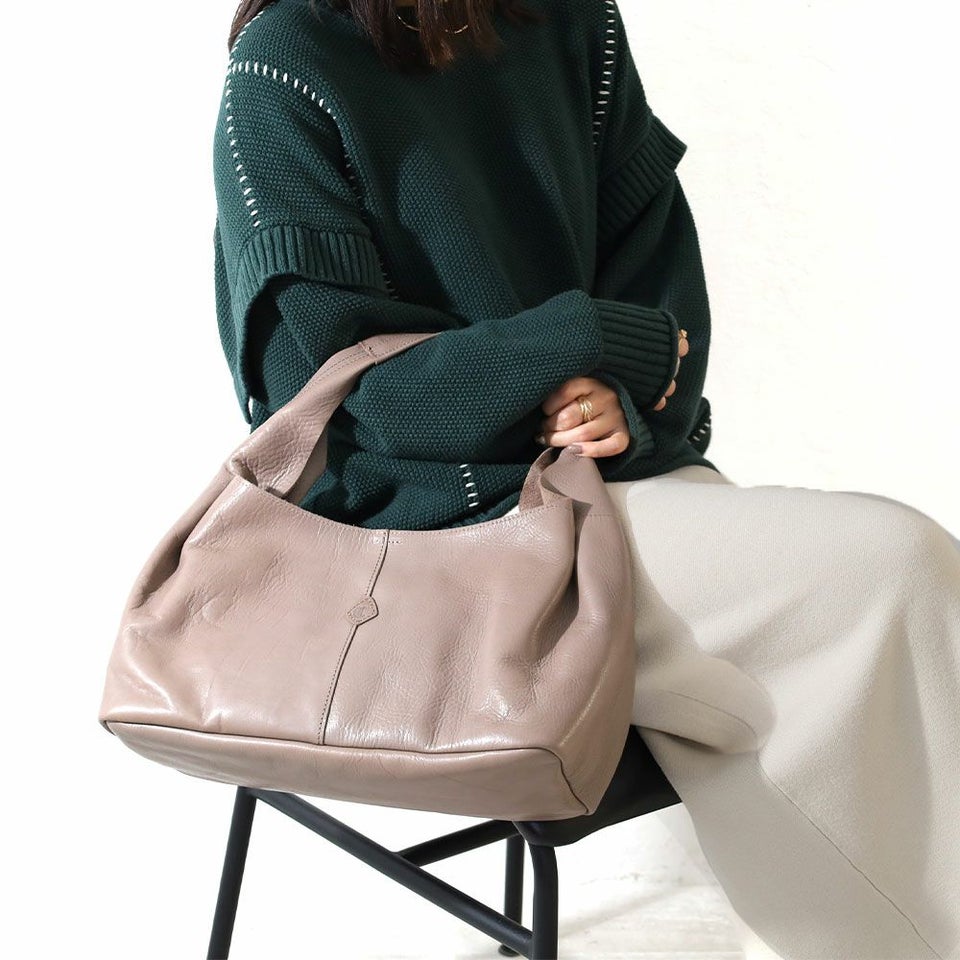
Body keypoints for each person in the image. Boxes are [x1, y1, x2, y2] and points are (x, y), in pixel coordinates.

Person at [211, 1, 960, 957]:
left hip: (604, 489)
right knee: (886, 565)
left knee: (867, 617)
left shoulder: (571, 22)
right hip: (431, 537)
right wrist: (579, 343)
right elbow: (332, 396)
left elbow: (661, 301)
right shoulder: (288, 63)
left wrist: (616, 396)